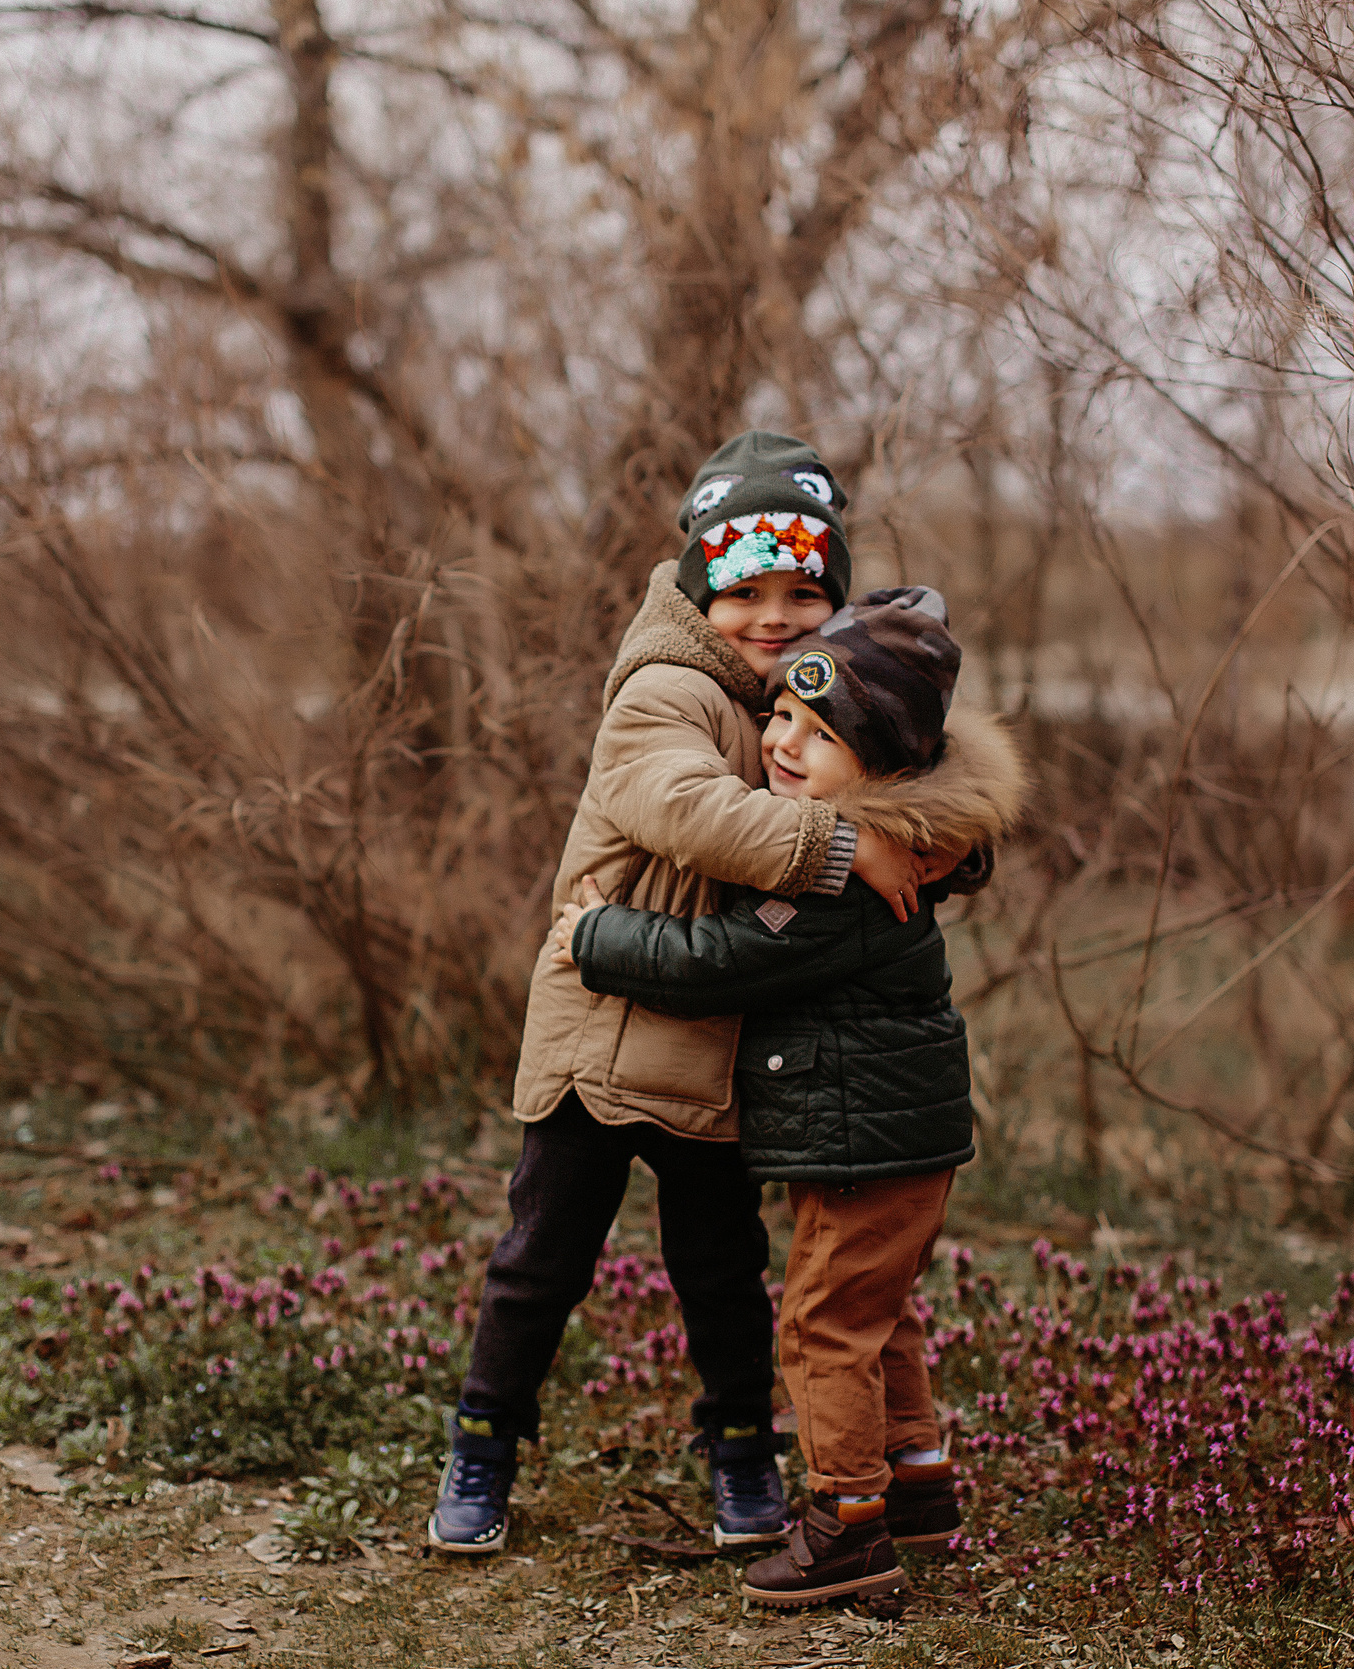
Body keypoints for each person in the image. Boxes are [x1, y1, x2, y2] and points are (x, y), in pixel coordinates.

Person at [428, 431, 926, 1557]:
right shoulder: (663, 688)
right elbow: (689, 814)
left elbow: (910, 774)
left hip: (719, 1040)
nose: (775, 613)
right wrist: (844, 850)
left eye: (804, 590)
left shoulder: (804, 698)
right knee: (541, 1260)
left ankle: (742, 1448)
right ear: (702, 588)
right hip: (600, 1034)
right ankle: (482, 1441)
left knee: (721, 1270)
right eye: (746, 589)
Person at [552, 586, 1026, 1609]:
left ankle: (844, 1522)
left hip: (863, 1144)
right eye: (781, 717)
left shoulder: (840, 880)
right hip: (886, 1138)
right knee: (877, 1318)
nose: (782, 745)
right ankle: (916, 1488)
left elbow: (719, 961)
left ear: (887, 768)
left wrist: (597, 938)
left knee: (822, 1328)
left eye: (819, 735)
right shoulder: (868, 846)